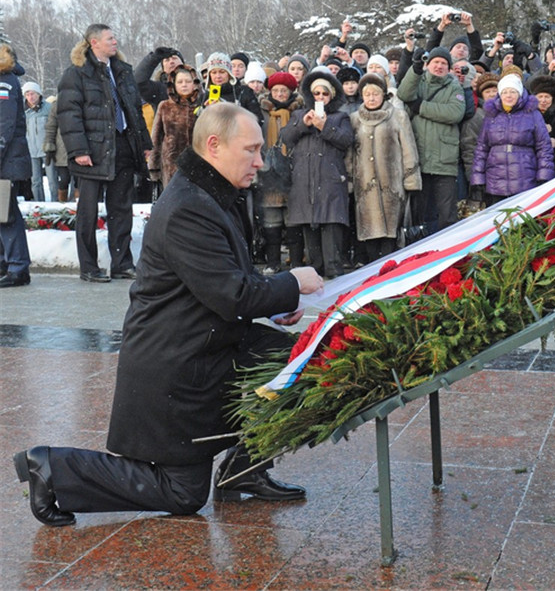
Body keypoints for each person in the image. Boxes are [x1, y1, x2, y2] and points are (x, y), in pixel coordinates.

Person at [13, 104, 323, 526]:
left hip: (209, 344)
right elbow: (232, 294)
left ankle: (242, 471)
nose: (259, 161)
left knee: (307, 364)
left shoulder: (214, 192)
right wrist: (291, 283)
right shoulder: (189, 206)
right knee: (183, 493)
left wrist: (278, 301)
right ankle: (52, 469)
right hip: (177, 365)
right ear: (213, 146)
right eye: (251, 150)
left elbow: (230, 277)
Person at [57, 24, 152, 283]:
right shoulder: (77, 73)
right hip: (91, 152)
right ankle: (88, 267)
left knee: (121, 209)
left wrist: (143, 142)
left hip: (122, 148)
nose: (115, 41)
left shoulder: (122, 71)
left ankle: (121, 264)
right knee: (87, 212)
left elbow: (133, 109)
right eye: (110, 38)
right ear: (94, 42)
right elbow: (69, 115)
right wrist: (78, 150)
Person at [283, 70, 354, 279]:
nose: (320, 97)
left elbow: (347, 140)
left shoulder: (340, 117)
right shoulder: (298, 115)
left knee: (332, 237)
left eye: (324, 93)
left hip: (330, 183)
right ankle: (315, 277)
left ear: (331, 96)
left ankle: (335, 278)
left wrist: (325, 126)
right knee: (311, 244)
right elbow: (286, 137)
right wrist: (303, 124)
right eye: (316, 93)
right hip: (304, 184)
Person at [348, 73, 422, 260]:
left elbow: (408, 149)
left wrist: (410, 178)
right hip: (365, 186)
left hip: (392, 185)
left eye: (376, 94)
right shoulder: (354, 119)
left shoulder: (398, 116)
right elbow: (349, 154)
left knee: (391, 231)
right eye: (367, 94)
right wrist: (349, 179)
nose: (371, 98)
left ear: (383, 95)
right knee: (369, 230)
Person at [396, 46, 466, 233]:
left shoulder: (454, 86)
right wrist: (415, 69)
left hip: (445, 160)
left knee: (447, 214)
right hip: (419, 158)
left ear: (449, 68)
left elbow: (454, 113)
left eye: (444, 63)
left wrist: (421, 107)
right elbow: (403, 94)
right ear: (428, 64)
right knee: (419, 214)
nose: (439, 66)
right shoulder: (419, 82)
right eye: (436, 62)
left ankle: (448, 251)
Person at [469, 74, 554, 205]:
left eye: (513, 91)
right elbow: (482, 148)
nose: (508, 95)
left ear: (519, 93)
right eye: (505, 92)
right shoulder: (492, 115)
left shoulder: (532, 114)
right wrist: (478, 178)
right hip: (495, 182)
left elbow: (543, 147)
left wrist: (544, 175)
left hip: (525, 180)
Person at [258, 71, 304, 273]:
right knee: (271, 221)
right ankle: (273, 262)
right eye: (275, 90)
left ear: (291, 92)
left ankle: (296, 262)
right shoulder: (262, 113)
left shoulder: (299, 112)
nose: (279, 94)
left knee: (293, 219)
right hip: (268, 172)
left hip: (293, 172)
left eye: (283, 90)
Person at [0, 43, 32, 287]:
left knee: (6, 215)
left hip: (6, 161)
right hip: (6, 160)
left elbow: (5, 124)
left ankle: (18, 268)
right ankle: (7, 264)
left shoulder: (6, 82)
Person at [149, 65, 201, 188]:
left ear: (195, 84)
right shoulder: (165, 106)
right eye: (180, 82)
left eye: (188, 81)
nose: (184, 85)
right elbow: (156, 138)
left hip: (199, 164)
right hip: (172, 165)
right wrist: (153, 167)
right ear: (173, 85)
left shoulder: (203, 104)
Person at [22, 81, 53, 201]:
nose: (31, 97)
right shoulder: (23, 111)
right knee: (35, 181)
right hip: (31, 151)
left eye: (33, 94)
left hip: (47, 149)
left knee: (52, 180)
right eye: (28, 94)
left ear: (39, 94)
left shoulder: (48, 108)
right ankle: (39, 204)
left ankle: (54, 205)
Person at [133, 46, 184, 111]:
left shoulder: (195, 85)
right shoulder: (159, 90)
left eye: (174, 58)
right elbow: (138, 82)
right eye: (167, 60)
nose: (171, 62)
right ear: (163, 69)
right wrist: (154, 58)